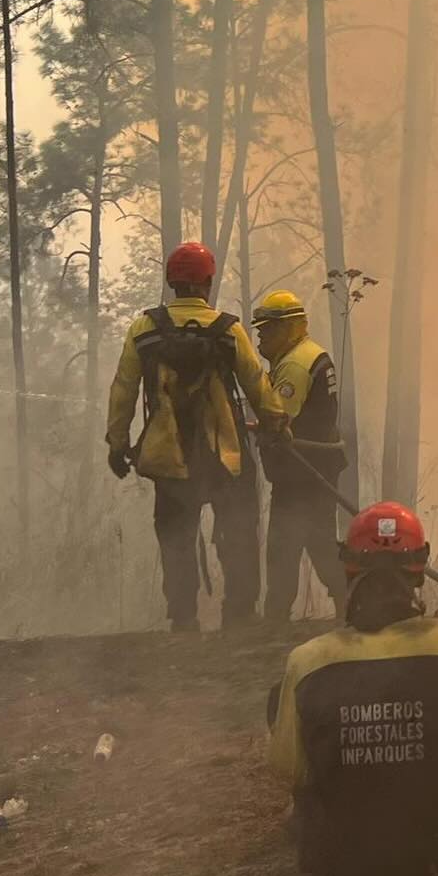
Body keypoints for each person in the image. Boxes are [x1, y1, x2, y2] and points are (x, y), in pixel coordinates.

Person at [267, 501, 438, 876]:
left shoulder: (309, 662)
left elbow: (290, 768)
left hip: (342, 862)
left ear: (348, 567)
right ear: (419, 568)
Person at [106, 241, 288, 632]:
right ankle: (239, 614)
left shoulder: (144, 329)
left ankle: (183, 618)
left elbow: (123, 387)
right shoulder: (228, 329)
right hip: (226, 455)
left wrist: (118, 443)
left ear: (171, 282)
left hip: (169, 455)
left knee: (176, 537)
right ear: (208, 281)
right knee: (238, 531)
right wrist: (277, 422)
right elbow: (257, 383)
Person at [251, 290, 346, 622]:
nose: (262, 336)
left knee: (283, 546)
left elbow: (278, 420)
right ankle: (350, 604)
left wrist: (255, 426)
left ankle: (275, 618)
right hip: (317, 469)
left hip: (301, 472)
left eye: (268, 330)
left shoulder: (293, 365)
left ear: (289, 327)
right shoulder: (311, 354)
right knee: (319, 542)